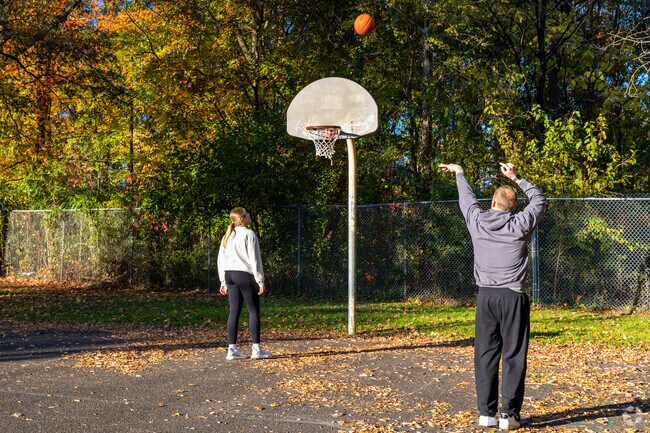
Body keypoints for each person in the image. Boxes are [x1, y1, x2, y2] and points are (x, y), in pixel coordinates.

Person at [439, 162, 546, 430]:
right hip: (512, 296)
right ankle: (509, 416)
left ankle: (486, 414)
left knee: (485, 354)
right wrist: (517, 178)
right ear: (513, 206)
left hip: (486, 297)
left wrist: (460, 173)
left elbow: (467, 199)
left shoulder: (477, 221)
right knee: (513, 355)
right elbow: (539, 200)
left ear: (493, 202)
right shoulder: (521, 223)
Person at [217, 207, 272, 360]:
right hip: (244, 275)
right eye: (247, 214)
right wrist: (260, 280)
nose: (249, 215)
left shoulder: (227, 236)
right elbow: (255, 260)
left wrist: (223, 280)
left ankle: (232, 350)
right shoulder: (249, 234)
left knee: (234, 311)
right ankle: (256, 349)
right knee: (253, 311)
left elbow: (221, 259)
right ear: (242, 218)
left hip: (229, 275)